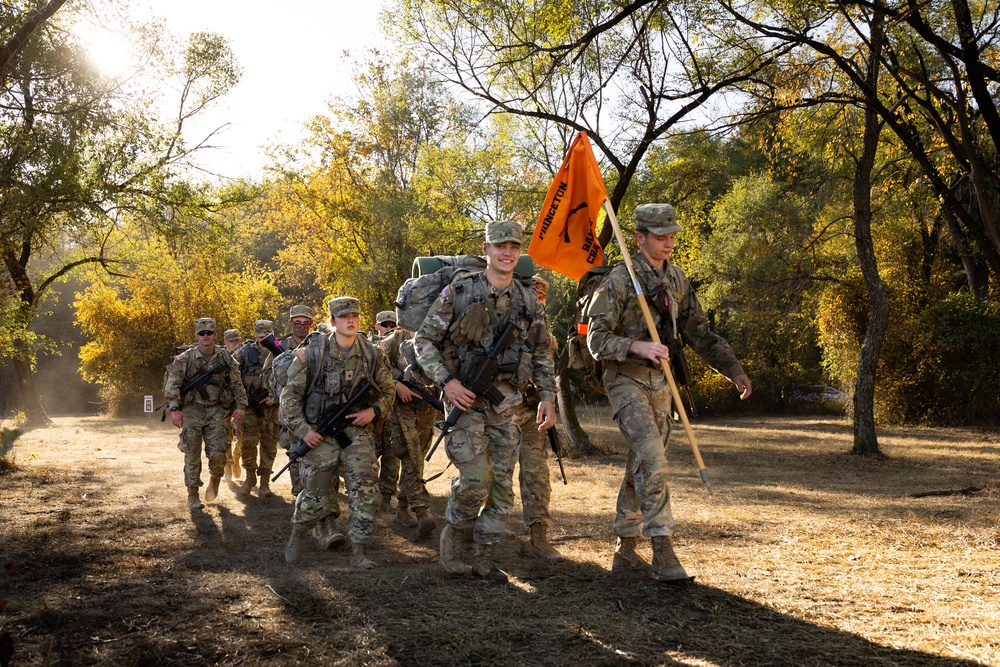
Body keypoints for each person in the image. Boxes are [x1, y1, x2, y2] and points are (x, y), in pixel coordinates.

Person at [586, 203, 752, 582]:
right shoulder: (619, 279)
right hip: (625, 378)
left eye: (672, 235)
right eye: (660, 236)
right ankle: (662, 547)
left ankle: (625, 547)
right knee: (653, 457)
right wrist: (636, 346)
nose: (668, 242)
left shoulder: (676, 279)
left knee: (644, 460)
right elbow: (596, 340)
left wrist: (733, 369)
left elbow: (699, 332)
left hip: (662, 381)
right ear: (639, 238)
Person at [414, 221, 557, 582]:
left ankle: (485, 556)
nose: (507, 253)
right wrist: (447, 382)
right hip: (464, 399)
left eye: (513, 247)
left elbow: (541, 352)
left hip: (506, 403)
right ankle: (453, 534)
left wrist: (547, 396)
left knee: (502, 487)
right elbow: (424, 341)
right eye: (500, 246)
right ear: (487, 249)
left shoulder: (528, 298)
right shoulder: (461, 291)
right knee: (476, 477)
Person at [281, 296, 396, 569]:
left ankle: (359, 551)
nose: (350, 321)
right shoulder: (313, 354)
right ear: (333, 322)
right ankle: (299, 533)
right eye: (344, 317)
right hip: (320, 434)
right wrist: (304, 432)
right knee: (315, 495)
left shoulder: (371, 354)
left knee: (366, 489)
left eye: (354, 316)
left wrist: (374, 411)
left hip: (356, 431)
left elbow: (389, 391)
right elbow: (289, 398)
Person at [163, 318, 247, 510]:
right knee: (192, 453)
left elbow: (237, 384)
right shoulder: (186, 358)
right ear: (196, 336)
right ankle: (193, 495)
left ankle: (215, 479)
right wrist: (174, 409)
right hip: (192, 410)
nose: (206, 336)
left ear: (215, 334)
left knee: (218, 454)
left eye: (209, 332)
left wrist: (241, 406)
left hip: (216, 410)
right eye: (202, 333)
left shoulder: (225, 357)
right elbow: (172, 385)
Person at [516, 276, 563, 561]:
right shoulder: (507, 321)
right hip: (501, 408)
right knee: (490, 473)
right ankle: (480, 532)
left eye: (543, 298)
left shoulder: (544, 333)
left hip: (531, 409)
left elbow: (546, 366)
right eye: (535, 296)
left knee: (535, 473)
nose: (539, 302)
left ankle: (538, 536)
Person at [379, 324, 437, 537]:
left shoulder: (436, 334)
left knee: (417, 458)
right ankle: (421, 510)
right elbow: (376, 363)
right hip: (403, 408)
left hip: (428, 409)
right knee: (411, 456)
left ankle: (402, 509)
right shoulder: (395, 340)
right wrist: (396, 383)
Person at [272, 304, 317, 497]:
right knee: (296, 450)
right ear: (291, 323)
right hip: (291, 407)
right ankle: (299, 492)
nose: (302, 327)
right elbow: (268, 376)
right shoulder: (278, 345)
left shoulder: (317, 344)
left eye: (306, 323)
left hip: (314, 406)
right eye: (298, 323)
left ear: (311, 324)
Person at [234, 320, 280, 498]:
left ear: (272, 334)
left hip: (272, 408)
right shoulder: (245, 352)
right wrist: (239, 402)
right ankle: (250, 477)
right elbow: (234, 376)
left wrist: (275, 397)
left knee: (269, 445)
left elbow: (291, 378)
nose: (262, 341)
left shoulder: (280, 349)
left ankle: (265, 483)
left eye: (266, 336)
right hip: (250, 406)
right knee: (248, 442)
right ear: (255, 335)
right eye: (260, 337)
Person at [370, 309, 401, 509]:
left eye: (392, 325)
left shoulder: (399, 345)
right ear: (377, 326)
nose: (389, 328)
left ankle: (387, 497)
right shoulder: (369, 346)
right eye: (385, 325)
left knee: (392, 457)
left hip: (394, 412)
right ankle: (369, 495)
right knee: (369, 457)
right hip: (373, 413)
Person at [222, 328, 244, 482]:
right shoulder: (221, 356)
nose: (235, 343)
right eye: (231, 341)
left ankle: (236, 457)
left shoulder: (246, 353)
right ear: (225, 342)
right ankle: (228, 466)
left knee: (243, 438)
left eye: (237, 340)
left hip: (242, 404)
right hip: (225, 404)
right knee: (226, 437)